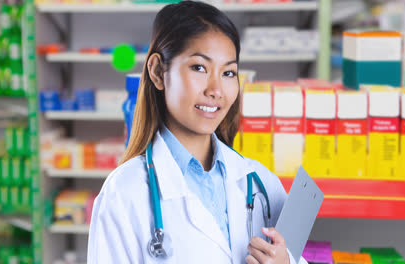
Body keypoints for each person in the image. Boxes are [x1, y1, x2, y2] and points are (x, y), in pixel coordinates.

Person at [88, 1, 308, 263]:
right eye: (199, 68)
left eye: (228, 72)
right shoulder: (124, 194)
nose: (216, 89)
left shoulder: (261, 185)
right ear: (158, 72)